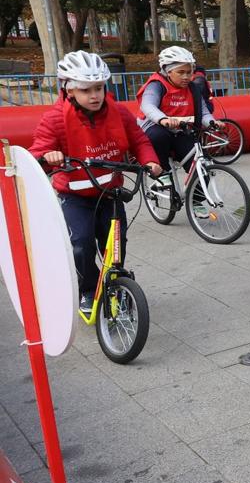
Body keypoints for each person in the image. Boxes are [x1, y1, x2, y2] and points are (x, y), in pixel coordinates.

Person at [30, 51, 161, 311]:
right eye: (86, 90)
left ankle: (116, 284)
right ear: (68, 90)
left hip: (110, 193)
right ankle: (88, 289)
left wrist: (150, 161)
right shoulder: (54, 119)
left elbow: (139, 140)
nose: (95, 95)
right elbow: (37, 154)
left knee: (115, 242)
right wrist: (48, 156)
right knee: (81, 244)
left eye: (99, 88)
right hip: (75, 197)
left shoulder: (119, 113)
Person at [137, 46, 214, 170]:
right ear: (168, 71)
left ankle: (198, 189)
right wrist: (163, 119)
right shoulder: (156, 85)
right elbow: (148, 105)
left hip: (181, 132)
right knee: (158, 136)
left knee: (202, 165)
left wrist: (212, 122)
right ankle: (163, 176)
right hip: (157, 131)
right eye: (181, 72)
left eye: (189, 72)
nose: (186, 77)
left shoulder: (192, 88)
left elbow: (203, 111)